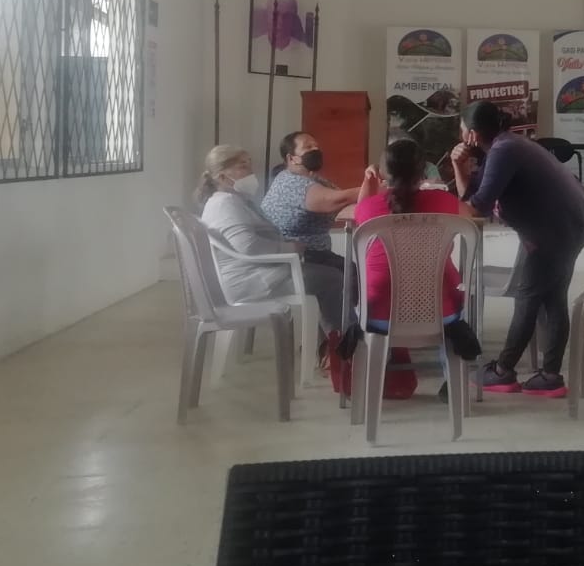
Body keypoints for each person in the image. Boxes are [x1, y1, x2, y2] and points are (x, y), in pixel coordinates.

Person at [450, 100, 584, 398]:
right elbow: (472, 196)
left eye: (462, 128)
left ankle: (503, 371)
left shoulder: (504, 151)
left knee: (528, 296)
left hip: (555, 230)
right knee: (552, 298)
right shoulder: (505, 146)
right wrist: (458, 166)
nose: (460, 134)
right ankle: (550, 377)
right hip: (569, 224)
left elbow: (477, 208)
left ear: (472, 134)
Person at [352, 139, 483, 399]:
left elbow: (360, 213)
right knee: (452, 293)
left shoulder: (369, 207)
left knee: (357, 293)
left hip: (378, 313)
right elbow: (472, 214)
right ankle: (452, 383)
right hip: (441, 312)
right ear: (423, 172)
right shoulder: (444, 202)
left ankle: (377, 378)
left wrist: (370, 184)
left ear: (383, 173)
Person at [195, 144, 344, 339]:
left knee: (331, 268)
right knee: (332, 278)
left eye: (249, 165)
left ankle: (332, 340)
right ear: (222, 177)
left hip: (258, 272)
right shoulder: (225, 204)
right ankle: (337, 346)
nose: (251, 172)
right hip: (251, 281)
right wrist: (291, 248)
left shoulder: (233, 200)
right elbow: (249, 246)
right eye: (243, 167)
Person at [261, 131, 377, 270]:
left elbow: (345, 203)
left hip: (316, 255)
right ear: (291, 158)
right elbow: (334, 200)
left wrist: (370, 186)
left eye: (316, 146)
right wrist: (371, 185)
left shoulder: (315, 179)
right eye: (308, 147)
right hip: (295, 259)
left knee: (358, 273)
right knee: (355, 277)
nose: (315, 149)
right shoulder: (289, 182)